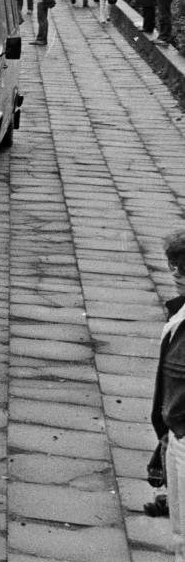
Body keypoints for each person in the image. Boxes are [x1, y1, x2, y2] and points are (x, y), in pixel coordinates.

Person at [149, 229, 185, 554]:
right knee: (180, 537)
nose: (175, 273)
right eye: (172, 264)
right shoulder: (179, 314)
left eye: (183, 266)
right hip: (175, 436)